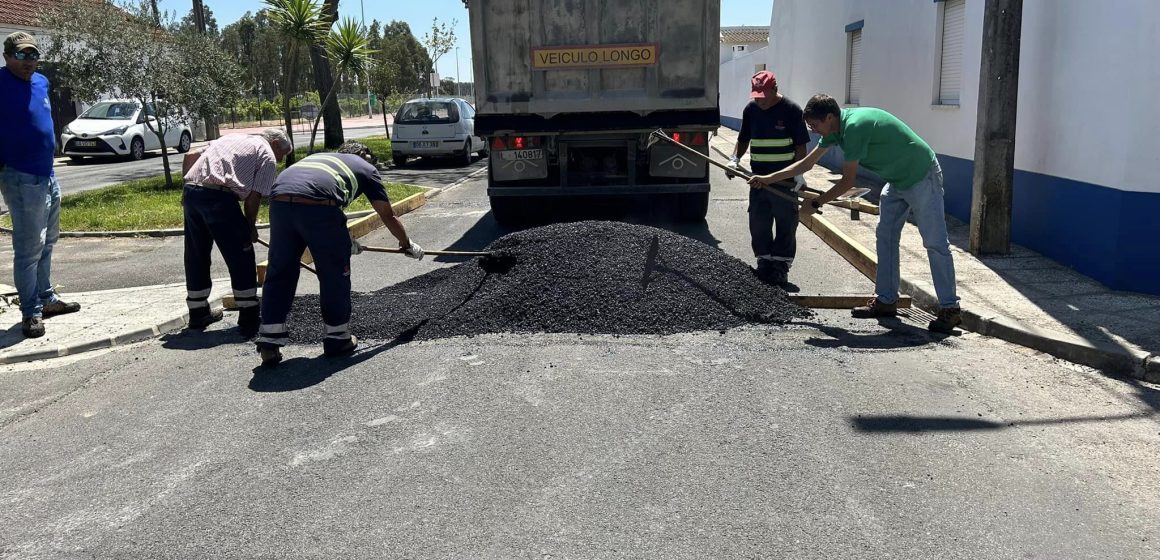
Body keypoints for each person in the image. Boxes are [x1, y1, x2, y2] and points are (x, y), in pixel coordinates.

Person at [748, 94, 961, 333]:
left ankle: (950, 308)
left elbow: (847, 181)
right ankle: (887, 300)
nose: (814, 131)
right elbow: (807, 163)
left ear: (829, 117)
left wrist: (816, 203)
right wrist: (767, 179)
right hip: (896, 181)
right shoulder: (834, 131)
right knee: (886, 238)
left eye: (815, 126)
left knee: (934, 242)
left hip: (922, 175)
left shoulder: (855, 128)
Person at [255, 142, 424, 366]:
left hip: (280, 202)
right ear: (364, 156)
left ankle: (269, 341)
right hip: (318, 205)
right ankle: (337, 338)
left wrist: (342, 240)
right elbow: (387, 215)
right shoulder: (366, 169)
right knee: (334, 273)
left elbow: (313, 198)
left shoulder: (322, 158)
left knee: (280, 270)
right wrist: (406, 243)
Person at [0, 32, 81, 338]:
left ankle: (47, 299)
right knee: (28, 247)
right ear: (7, 56)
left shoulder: (42, 81)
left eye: (32, 55)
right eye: (21, 56)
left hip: (48, 174)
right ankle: (30, 312)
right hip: (19, 175)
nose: (28, 61)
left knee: (48, 241)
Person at [181, 128, 292, 337]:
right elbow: (254, 197)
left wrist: (187, 189)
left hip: (192, 192)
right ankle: (249, 312)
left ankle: (198, 312)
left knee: (196, 254)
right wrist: (249, 227)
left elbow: (191, 155)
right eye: (282, 154)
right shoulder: (266, 154)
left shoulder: (232, 138)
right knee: (241, 253)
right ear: (275, 144)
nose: (280, 160)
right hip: (219, 198)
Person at [727, 70, 810, 287]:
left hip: (784, 180)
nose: (760, 101)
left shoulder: (792, 110)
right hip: (758, 179)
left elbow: (801, 146)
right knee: (759, 221)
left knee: (785, 221)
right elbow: (743, 138)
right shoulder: (751, 109)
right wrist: (734, 159)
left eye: (764, 96)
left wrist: (798, 173)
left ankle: (780, 266)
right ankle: (764, 262)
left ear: (775, 89)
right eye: (757, 96)